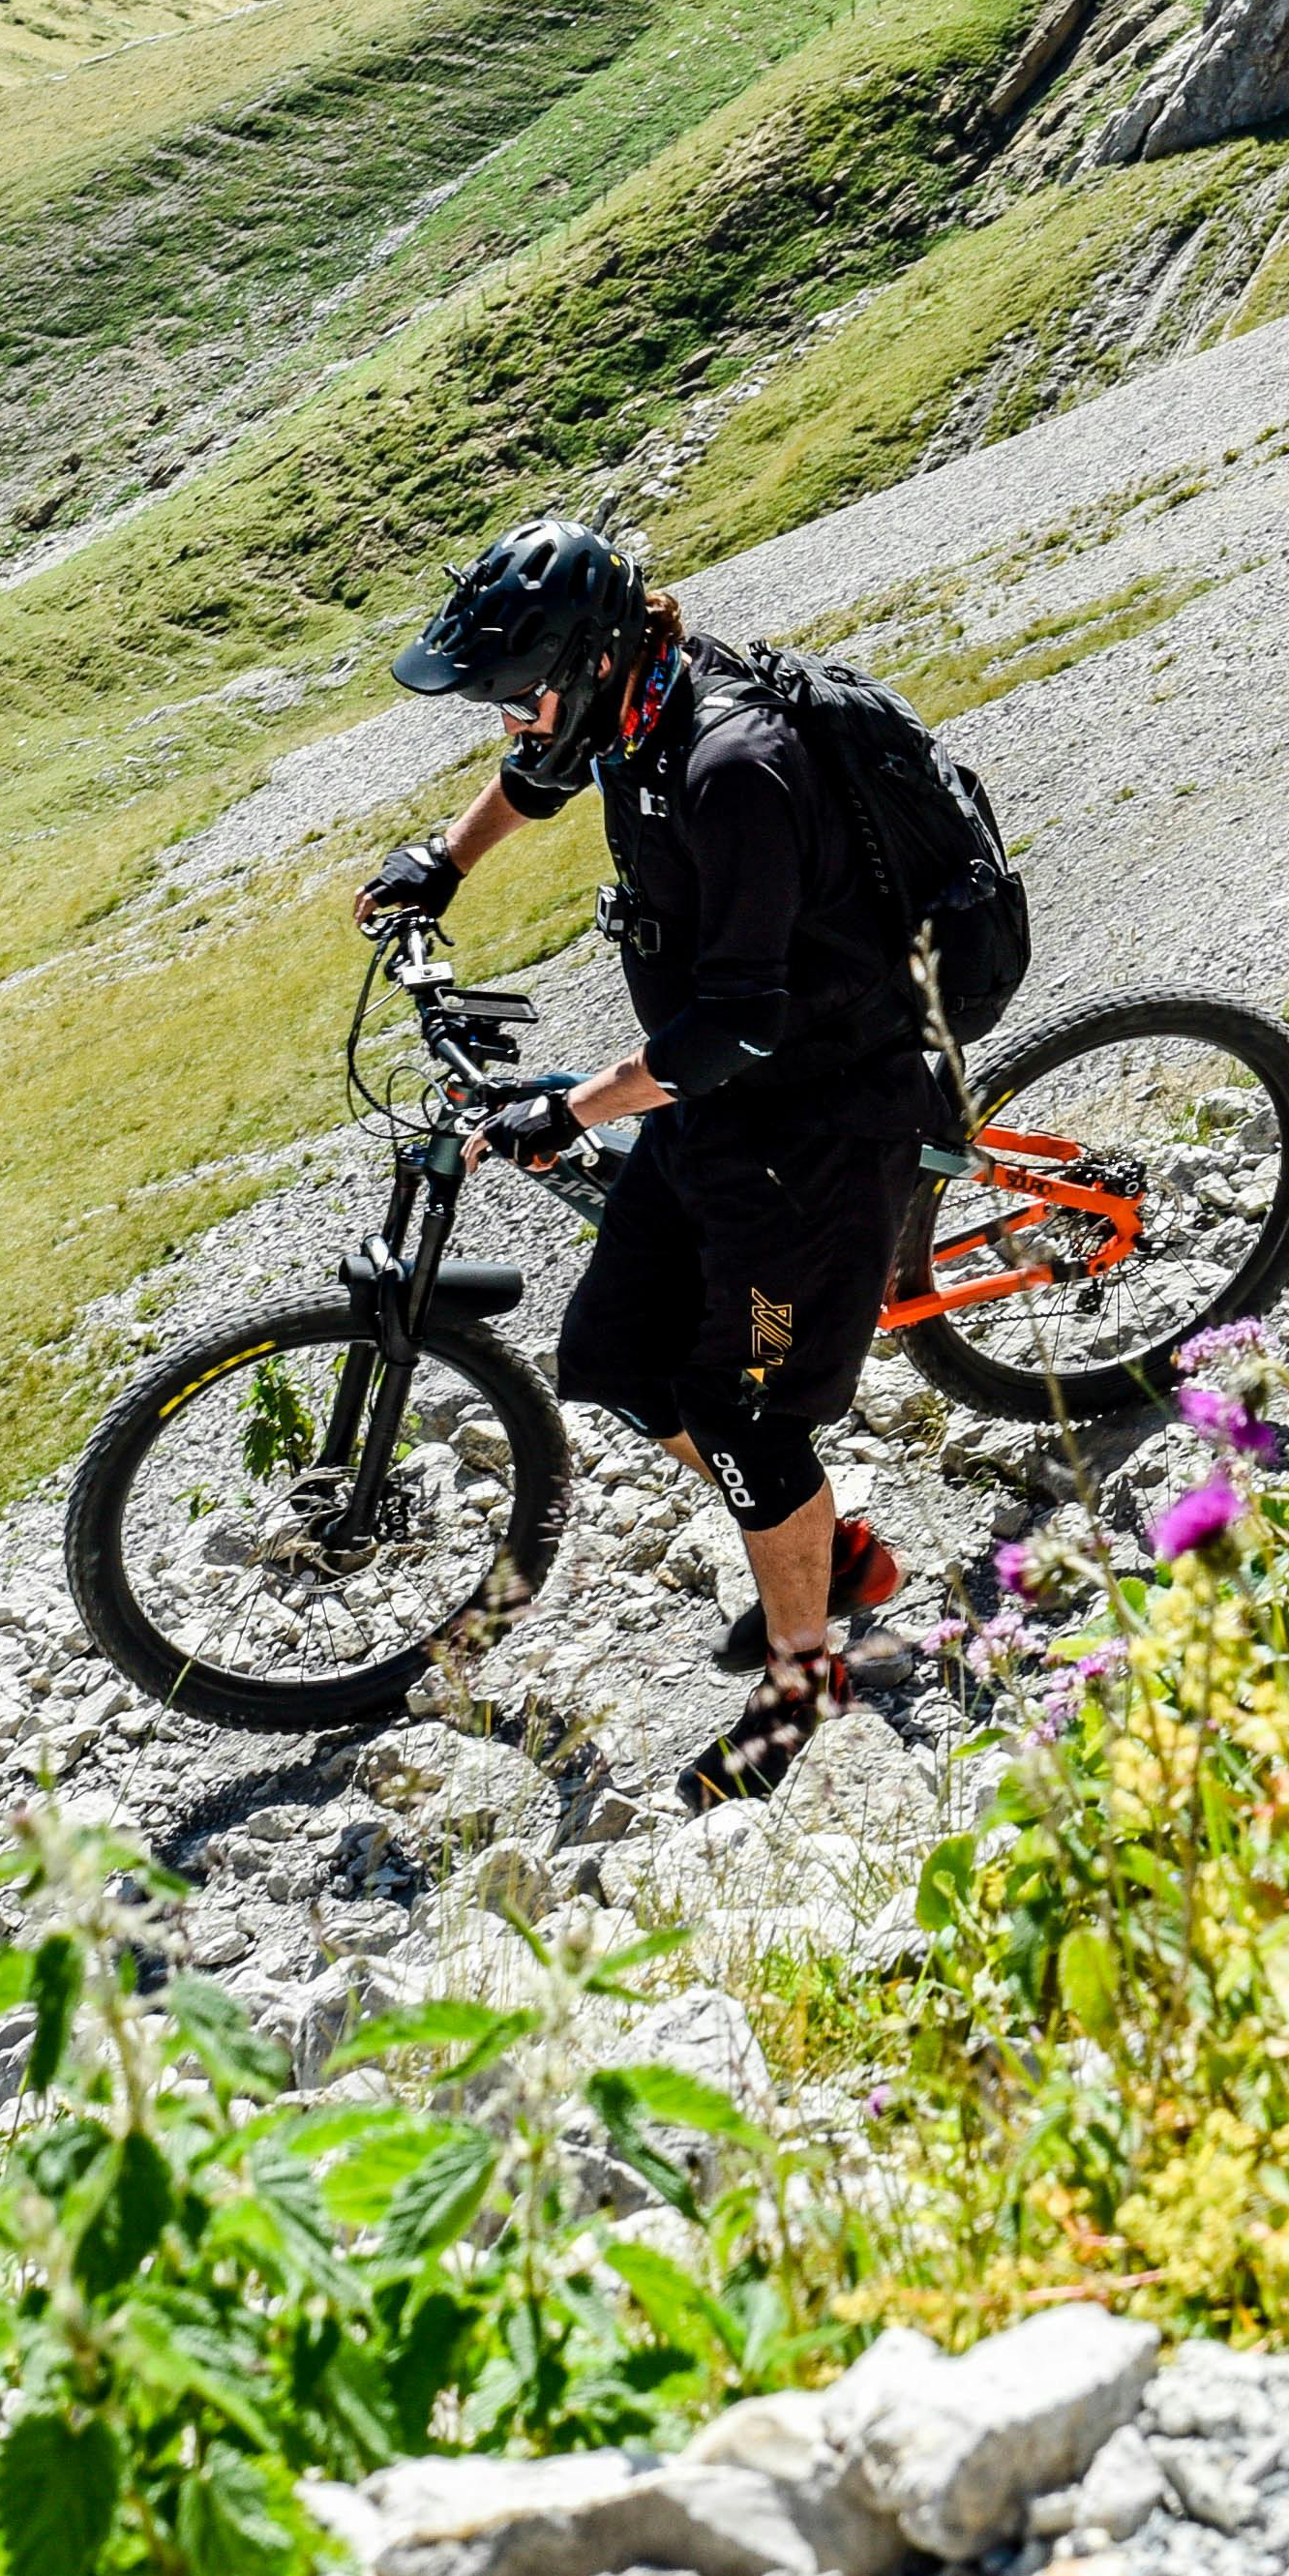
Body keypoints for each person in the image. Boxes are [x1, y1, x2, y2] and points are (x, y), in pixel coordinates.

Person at [361, 514, 936, 1806]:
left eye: (521, 689)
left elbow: (741, 1020)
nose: (510, 718)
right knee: (614, 1362)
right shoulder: (626, 710)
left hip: (814, 1127)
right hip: (717, 1116)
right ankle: (820, 1544)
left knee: (747, 1415)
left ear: (599, 656)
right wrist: (440, 863)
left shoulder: (731, 763)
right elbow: (546, 775)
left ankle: (805, 1683)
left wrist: (576, 1109)